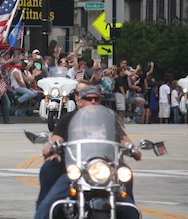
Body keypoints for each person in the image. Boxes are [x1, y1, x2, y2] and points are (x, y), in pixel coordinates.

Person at [34, 84, 141, 219]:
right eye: (89, 98)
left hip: (106, 167)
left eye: (96, 99)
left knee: (126, 181)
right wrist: (51, 147)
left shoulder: (109, 119)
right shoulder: (68, 118)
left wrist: (133, 149)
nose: (93, 102)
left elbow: (124, 139)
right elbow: (56, 139)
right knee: (50, 200)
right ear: (80, 101)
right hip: (76, 168)